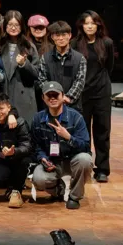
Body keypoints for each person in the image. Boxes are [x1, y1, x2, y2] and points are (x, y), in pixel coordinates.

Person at [30, 81, 94, 209]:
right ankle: (58, 190)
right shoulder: (38, 119)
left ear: (63, 96)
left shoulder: (76, 117)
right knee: (38, 179)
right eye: (49, 95)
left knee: (85, 160)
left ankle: (74, 197)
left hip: (72, 161)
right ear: (43, 98)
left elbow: (86, 146)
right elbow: (35, 145)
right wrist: (43, 158)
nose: (52, 98)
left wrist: (68, 137)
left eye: (56, 95)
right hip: (52, 162)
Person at [71, 10, 114, 183]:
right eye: (86, 23)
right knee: (83, 131)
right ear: (81, 25)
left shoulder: (107, 43)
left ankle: (102, 169)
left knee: (102, 130)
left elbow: (109, 67)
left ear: (98, 25)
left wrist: (101, 82)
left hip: (102, 91)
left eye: (93, 23)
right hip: (82, 92)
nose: (89, 26)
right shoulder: (75, 43)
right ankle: (85, 165)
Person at [0, 92, 31, 208]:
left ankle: (17, 188)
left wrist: (14, 152)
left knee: (23, 162)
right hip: (1, 160)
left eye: (1, 108)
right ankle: (10, 185)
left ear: (9, 108)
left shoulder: (20, 123)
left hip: (18, 160)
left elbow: (27, 146)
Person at [0, 11, 41, 124]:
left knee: (24, 130)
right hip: (2, 94)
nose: (13, 28)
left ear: (22, 26)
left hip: (24, 96)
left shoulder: (29, 46)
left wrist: (24, 64)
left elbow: (37, 73)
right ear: (5, 25)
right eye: (10, 24)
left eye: (17, 25)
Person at [37, 21, 86, 111]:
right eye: (57, 35)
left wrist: (68, 97)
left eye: (64, 35)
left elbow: (80, 81)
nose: (61, 38)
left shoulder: (79, 58)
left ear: (70, 35)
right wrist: (54, 96)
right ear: (52, 37)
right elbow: (42, 79)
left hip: (72, 106)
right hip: (51, 104)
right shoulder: (45, 58)